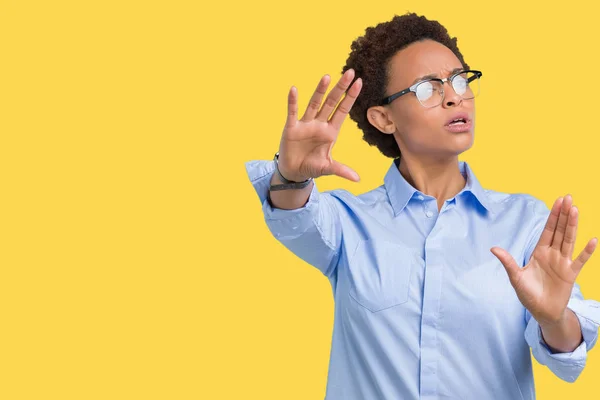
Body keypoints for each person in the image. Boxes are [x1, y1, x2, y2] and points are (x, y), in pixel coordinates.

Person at [244, 12, 600, 400]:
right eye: (428, 88)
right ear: (383, 118)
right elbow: (293, 215)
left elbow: (567, 358)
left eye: (460, 79)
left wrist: (554, 318)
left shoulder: (524, 221)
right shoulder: (349, 222)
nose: (454, 96)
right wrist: (291, 175)